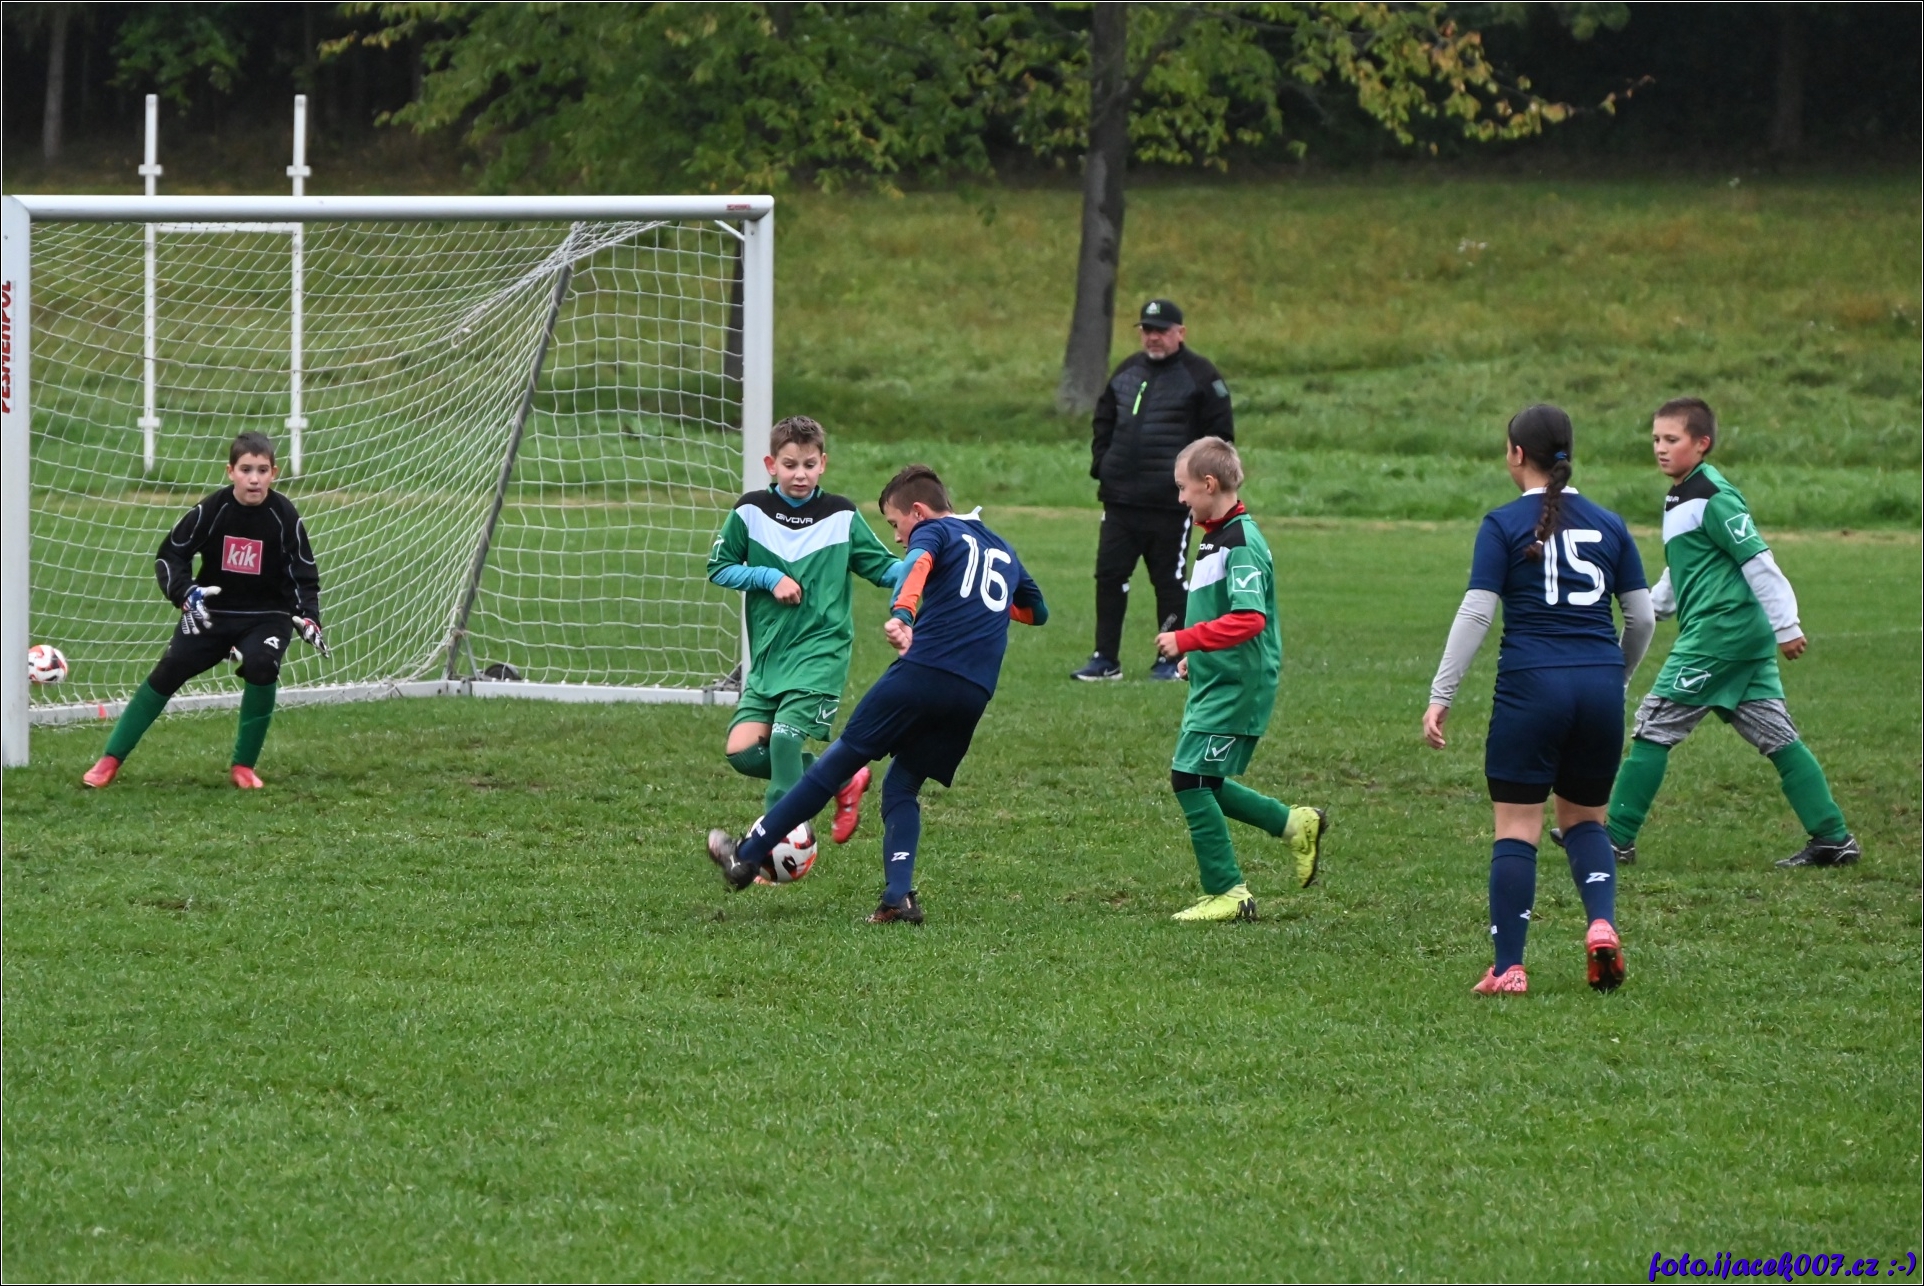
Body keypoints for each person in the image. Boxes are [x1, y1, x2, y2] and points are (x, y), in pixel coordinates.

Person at [706, 464, 1046, 924]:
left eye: (895, 524)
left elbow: (918, 563)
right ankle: (897, 898)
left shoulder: (934, 531)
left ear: (918, 512)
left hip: (923, 672)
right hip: (974, 691)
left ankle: (746, 856)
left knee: (837, 764)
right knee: (902, 783)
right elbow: (1036, 610)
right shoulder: (1002, 548)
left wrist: (904, 613)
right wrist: (980, 608)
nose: (899, 538)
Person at [1422, 406, 1655, 995]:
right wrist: (1615, 677)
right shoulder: (1610, 523)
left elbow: (1477, 612)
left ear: (1517, 454)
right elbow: (1643, 617)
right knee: (1585, 819)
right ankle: (1600, 923)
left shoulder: (1502, 524)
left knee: (1517, 825)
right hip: (1598, 687)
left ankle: (1509, 967)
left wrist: (1441, 693)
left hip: (1532, 686)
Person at [1597, 397, 1860, 870]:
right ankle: (1833, 838)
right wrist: (1650, 607)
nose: (1660, 448)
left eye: (1671, 439)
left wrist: (1787, 625)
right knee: (1778, 736)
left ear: (1702, 443)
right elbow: (1685, 566)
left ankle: (1614, 838)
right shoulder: (1680, 495)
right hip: (1736, 639)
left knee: (1654, 726)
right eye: (1655, 439)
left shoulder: (1713, 495)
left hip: (1720, 634)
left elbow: (1757, 559)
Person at [82, 431, 328, 790]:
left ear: (274, 472)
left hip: (266, 615)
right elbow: (171, 555)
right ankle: (109, 760)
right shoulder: (212, 510)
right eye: (246, 469)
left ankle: (243, 767)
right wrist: (185, 592)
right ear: (230, 471)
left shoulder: (284, 515)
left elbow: (303, 572)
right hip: (210, 613)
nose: (254, 479)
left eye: (262, 470)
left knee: (262, 665)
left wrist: (309, 616)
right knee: (169, 670)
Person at [1151, 436, 1327, 922]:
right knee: (1201, 778)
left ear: (1209, 484)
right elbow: (1219, 610)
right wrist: (1198, 657)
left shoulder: (1241, 542)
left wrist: (1186, 640)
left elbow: (1249, 619)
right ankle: (1293, 825)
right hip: (1218, 678)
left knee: (1189, 778)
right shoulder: (1214, 535)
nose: (1181, 498)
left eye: (1183, 488)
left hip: (1239, 685)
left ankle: (1228, 891)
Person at [707, 415, 903, 846]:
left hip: (820, 651)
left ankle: (766, 850)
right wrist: (767, 577)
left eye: (809, 465)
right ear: (771, 464)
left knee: (783, 742)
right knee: (742, 752)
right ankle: (843, 777)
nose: (800, 474)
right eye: (790, 464)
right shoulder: (750, 511)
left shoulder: (841, 515)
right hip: (770, 656)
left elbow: (884, 567)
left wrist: (924, 565)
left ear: (823, 464)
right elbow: (719, 567)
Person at [1074, 298, 1234, 683]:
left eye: (1161, 330)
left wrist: (1197, 487)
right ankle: (1104, 658)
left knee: (1169, 582)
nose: (1153, 337)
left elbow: (1220, 438)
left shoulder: (1201, 376)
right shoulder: (1128, 370)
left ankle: (1170, 658)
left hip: (1170, 504)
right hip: (1120, 500)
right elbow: (1103, 418)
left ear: (1181, 333)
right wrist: (1103, 464)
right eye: (1147, 330)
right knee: (1109, 576)